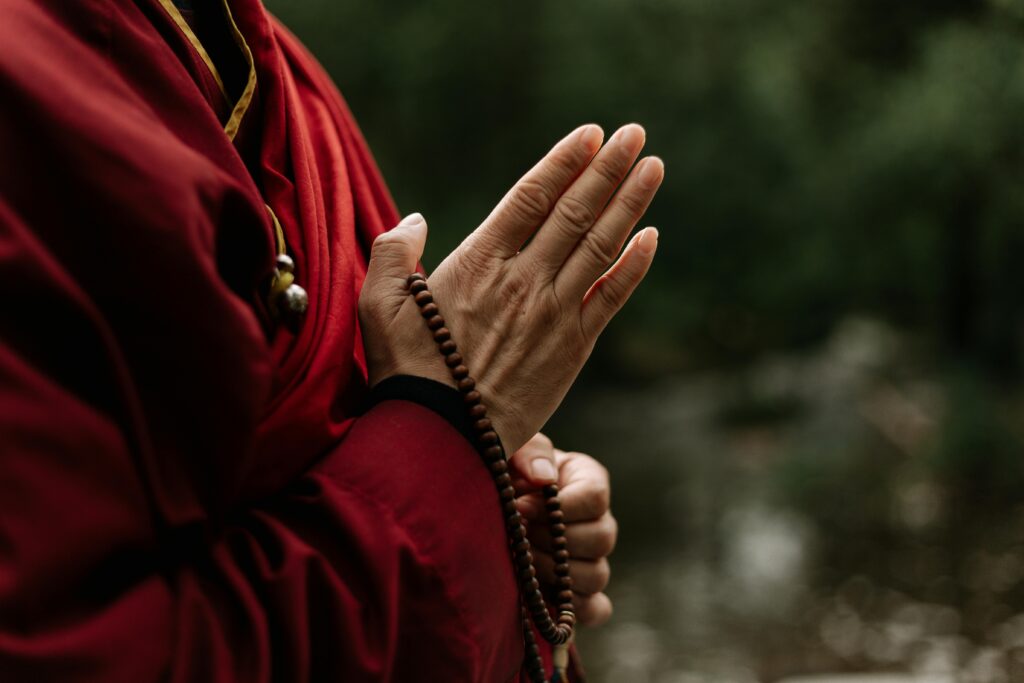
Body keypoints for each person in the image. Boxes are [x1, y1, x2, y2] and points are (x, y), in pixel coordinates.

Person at [0, 0, 662, 680]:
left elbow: (372, 413)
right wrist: (445, 435)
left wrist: (502, 520)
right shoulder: (25, 86)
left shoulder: (272, 60)